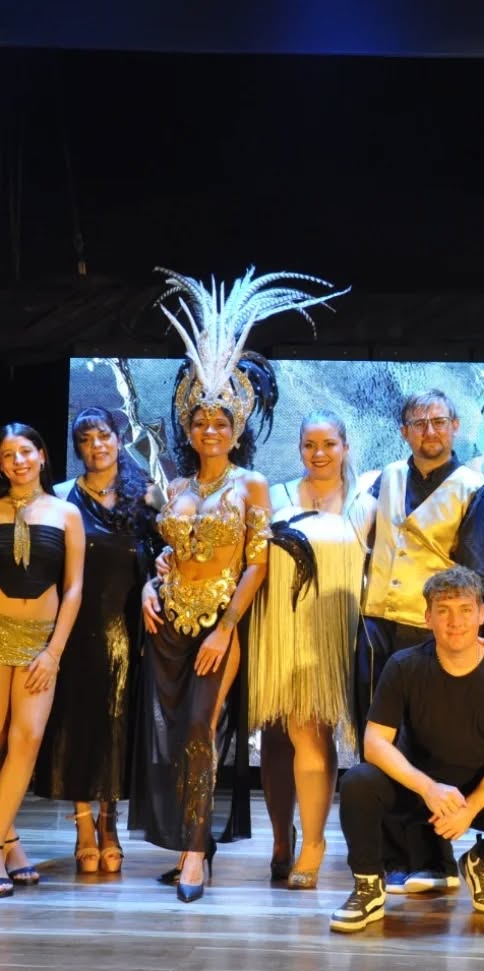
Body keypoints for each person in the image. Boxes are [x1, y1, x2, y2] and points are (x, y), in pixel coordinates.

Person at [132, 266, 345, 903]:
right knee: (173, 736)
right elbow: (170, 552)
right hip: (168, 623)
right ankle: (190, 840)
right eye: (201, 421)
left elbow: (257, 562)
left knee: (202, 729)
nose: (211, 431)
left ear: (238, 425)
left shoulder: (250, 484)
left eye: (221, 422)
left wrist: (227, 628)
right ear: (188, 426)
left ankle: (196, 853)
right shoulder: (175, 486)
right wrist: (148, 585)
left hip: (218, 627)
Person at [330, 566, 484, 932]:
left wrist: (471, 809)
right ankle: (368, 887)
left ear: (482, 614)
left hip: (478, 790)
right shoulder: (404, 666)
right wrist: (428, 788)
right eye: (444, 610)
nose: (455, 622)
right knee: (357, 783)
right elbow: (374, 743)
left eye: (466, 609)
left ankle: (481, 864)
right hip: (419, 788)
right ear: (428, 617)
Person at [359, 388, 484, 893]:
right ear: (404, 432)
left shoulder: (474, 489)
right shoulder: (385, 479)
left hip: (430, 630)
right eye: (419, 423)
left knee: (424, 745)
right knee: (380, 741)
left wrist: (457, 636)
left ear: (455, 426)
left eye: (438, 421)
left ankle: (431, 857)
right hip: (376, 624)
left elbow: (473, 575)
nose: (429, 431)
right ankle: (389, 854)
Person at [248, 410, 374, 888]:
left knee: (310, 731)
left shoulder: (365, 504)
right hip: (274, 630)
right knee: (275, 737)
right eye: (309, 445)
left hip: (327, 637)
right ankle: (282, 838)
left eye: (329, 444)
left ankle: (314, 843)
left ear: (345, 446)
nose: (319, 454)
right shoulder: (276, 496)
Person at [34, 407, 161, 876]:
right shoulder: (62, 495)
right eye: (86, 440)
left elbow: (167, 555)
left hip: (126, 627)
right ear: (77, 448)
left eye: (103, 435)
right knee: (77, 726)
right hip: (73, 628)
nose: (96, 446)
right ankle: (84, 828)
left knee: (116, 728)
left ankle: (110, 826)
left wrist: (154, 584)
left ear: (118, 438)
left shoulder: (145, 493)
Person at [0, 423, 85, 896]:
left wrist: (54, 652)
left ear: (42, 455)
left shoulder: (65, 513)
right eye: (7, 454)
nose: (18, 461)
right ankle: (8, 843)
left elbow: (73, 588)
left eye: (25, 451)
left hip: (40, 642)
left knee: (26, 740)